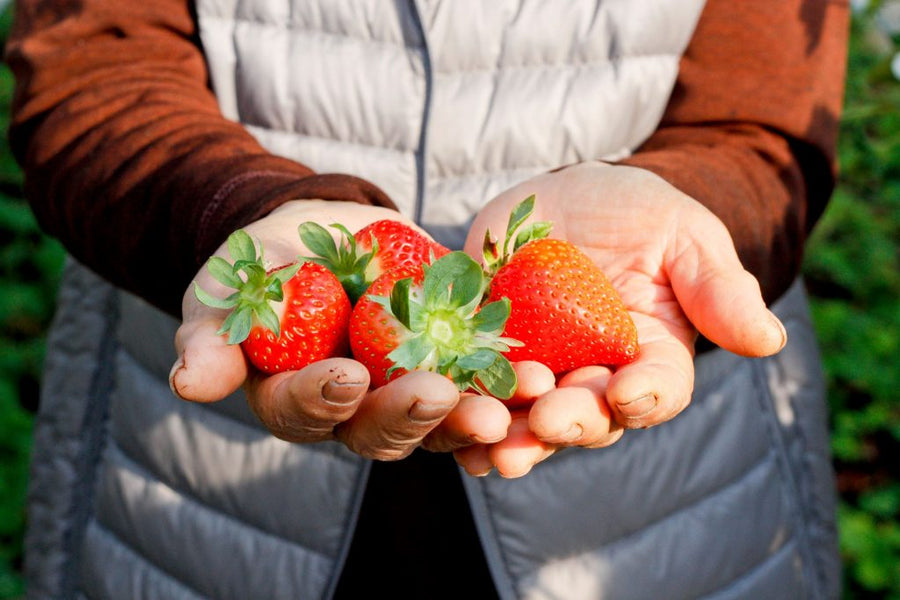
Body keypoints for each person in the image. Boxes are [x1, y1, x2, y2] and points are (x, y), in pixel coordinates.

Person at [7, 0, 849, 598]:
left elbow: (763, 119)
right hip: (192, 482)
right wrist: (238, 210)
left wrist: (691, 209)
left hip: (674, 490)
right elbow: (94, 69)